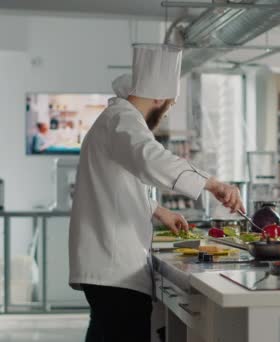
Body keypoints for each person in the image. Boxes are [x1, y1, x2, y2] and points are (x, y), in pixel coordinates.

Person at [68, 44, 245, 342]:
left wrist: (158, 210)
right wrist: (213, 183)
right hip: (114, 266)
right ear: (160, 98)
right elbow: (151, 157)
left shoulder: (117, 119)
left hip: (110, 266)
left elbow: (117, 185)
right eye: (171, 106)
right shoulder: (122, 120)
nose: (166, 114)